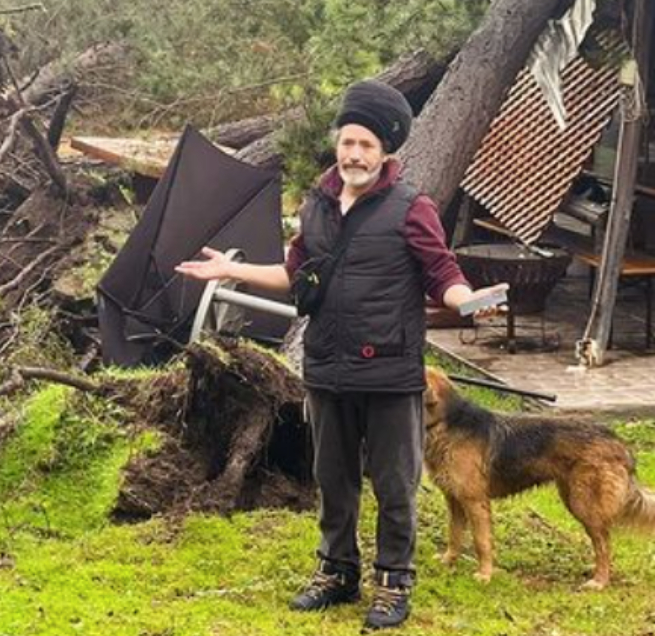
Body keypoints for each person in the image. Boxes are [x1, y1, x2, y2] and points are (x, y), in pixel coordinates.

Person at [175, 80, 507, 631]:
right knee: (333, 479)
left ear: (385, 153)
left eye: (367, 146)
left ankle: (393, 582)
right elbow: (294, 273)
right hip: (327, 368)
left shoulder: (411, 208)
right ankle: (336, 572)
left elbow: (442, 274)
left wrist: (468, 300)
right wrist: (230, 270)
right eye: (348, 142)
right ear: (339, 143)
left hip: (390, 374)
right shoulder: (318, 204)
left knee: (396, 483)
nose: (354, 154)